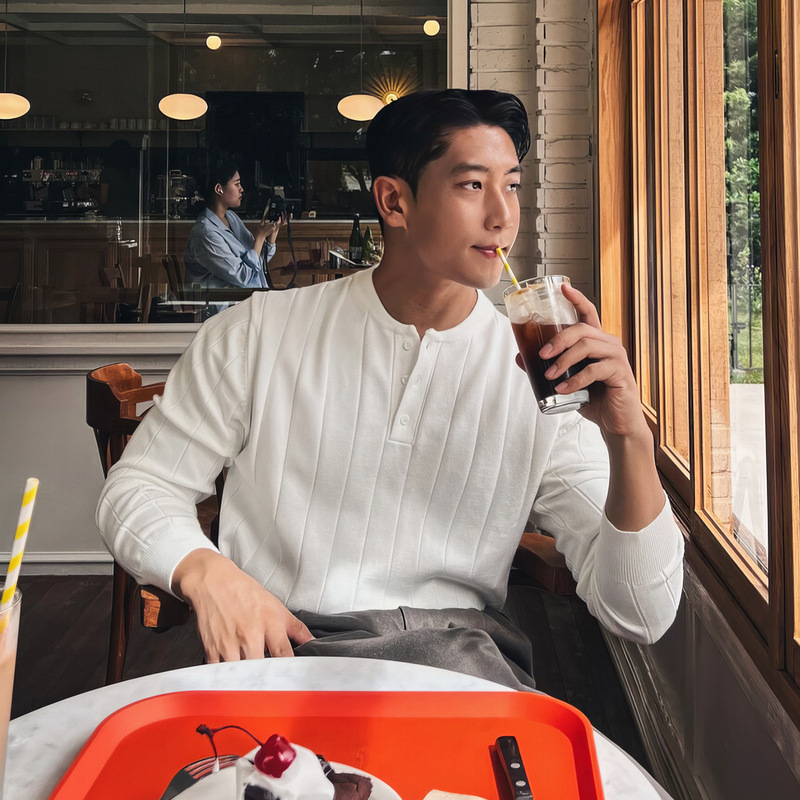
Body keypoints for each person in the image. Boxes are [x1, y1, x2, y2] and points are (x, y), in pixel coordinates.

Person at [97, 90, 683, 691]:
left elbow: (641, 612)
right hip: (282, 655)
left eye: (511, 185)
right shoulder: (256, 333)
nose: (503, 216)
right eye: (472, 185)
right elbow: (139, 486)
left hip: (460, 668)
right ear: (393, 201)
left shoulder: (541, 371)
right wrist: (206, 570)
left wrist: (629, 437)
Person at [184, 162, 285, 289]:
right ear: (219, 189)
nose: (241, 189)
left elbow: (257, 262)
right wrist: (259, 238)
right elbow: (242, 276)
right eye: (237, 184)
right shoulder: (206, 233)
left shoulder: (231, 218)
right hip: (225, 300)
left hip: (247, 295)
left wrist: (272, 233)